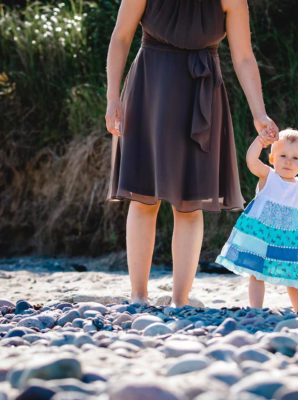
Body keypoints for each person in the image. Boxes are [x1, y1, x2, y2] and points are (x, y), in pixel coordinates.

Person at [104, 0, 278, 307]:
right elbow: (120, 37)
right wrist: (112, 98)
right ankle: (138, 296)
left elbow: (244, 57)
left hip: (201, 94)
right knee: (144, 197)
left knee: (190, 203)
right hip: (149, 89)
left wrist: (259, 113)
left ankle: (180, 300)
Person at [216, 129, 298, 312]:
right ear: (272, 158)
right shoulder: (268, 176)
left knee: (294, 276)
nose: (288, 161)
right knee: (257, 273)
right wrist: (259, 141)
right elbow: (251, 161)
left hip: (289, 239)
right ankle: (256, 309)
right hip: (262, 234)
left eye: (295, 158)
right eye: (282, 155)